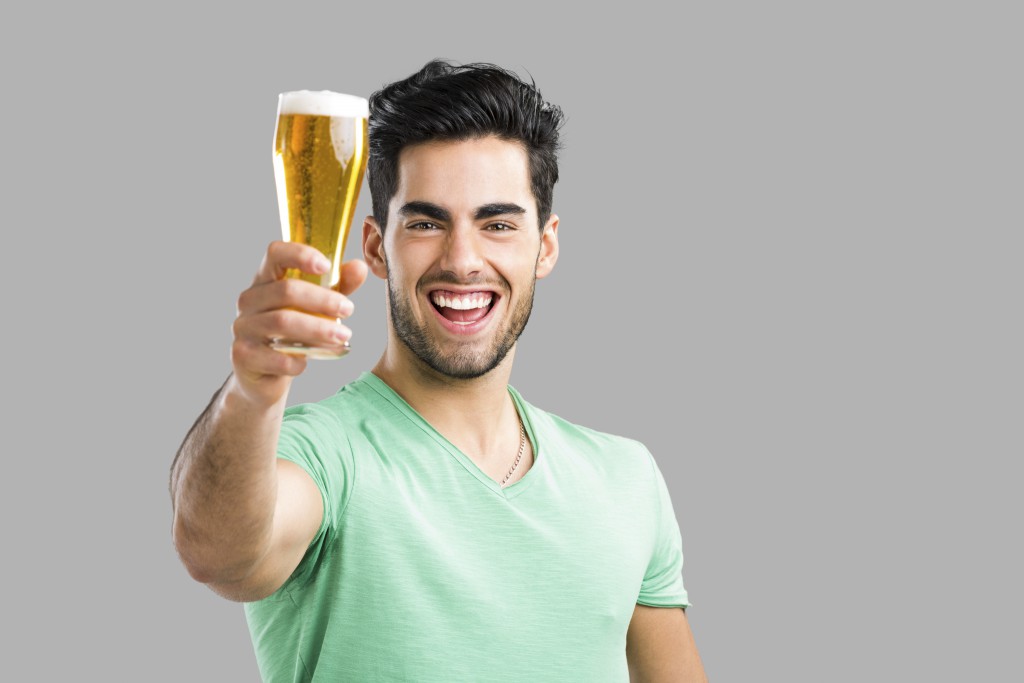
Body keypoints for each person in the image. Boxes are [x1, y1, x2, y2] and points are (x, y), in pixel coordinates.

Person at [171, 59, 707, 682]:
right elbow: (218, 552)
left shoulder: (627, 479)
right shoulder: (319, 456)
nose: (462, 260)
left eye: (498, 224)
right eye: (426, 224)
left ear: (546, 244)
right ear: (375, 246)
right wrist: (253, 389)